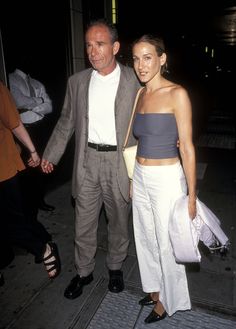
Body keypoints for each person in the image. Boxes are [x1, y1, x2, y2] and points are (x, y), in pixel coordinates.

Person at [41, 19, 140, 299]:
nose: (92, 51)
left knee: (118, 220)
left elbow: (150, 118)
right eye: (88, 44)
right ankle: (83, 272)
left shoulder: (134, 80)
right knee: (83, 222)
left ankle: (116, 267)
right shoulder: (78, 82)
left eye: (100, 44)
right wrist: (51, 154)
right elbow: (66, 121)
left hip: (119, 162)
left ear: (115, 47)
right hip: (87, 161)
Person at [131, 34, 196, 323]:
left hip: (167, 177)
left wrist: (191, 196)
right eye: (135, 59)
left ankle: (170, 301)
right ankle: (155, 290)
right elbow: (137, 141)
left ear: (162, 59)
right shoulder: (140, 94)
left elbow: (188, 148)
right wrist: (134, 179)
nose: (141, 65)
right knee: (144, 237)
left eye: (147, 57)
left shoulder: (177, 94)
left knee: (167, 243)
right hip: (142, 176)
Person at [0, 80, 61, 284]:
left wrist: (33, 152)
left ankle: (43, 248)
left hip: (3, 166)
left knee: (13, 221)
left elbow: (15, 122)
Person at [8, 68, 55, 212]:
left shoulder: (36, 83)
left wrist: (32, 106)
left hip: (40, 128)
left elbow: (49, 107)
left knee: (42, 165)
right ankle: (28, 204)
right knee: (26, 169)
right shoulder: (11, 79)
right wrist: (39, 101)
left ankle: (39, 200)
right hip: (24, 130)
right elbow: (19, 102)